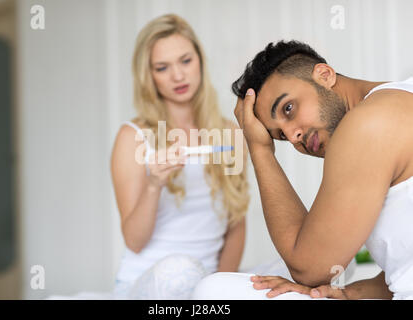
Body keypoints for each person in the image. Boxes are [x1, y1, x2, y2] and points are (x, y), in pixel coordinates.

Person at [193, 40, 413, 300]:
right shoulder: (401, 96)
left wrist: (261, 149)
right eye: (280, 137)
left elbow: (309, 269)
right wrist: (345, 293)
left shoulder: (367, 124)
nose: (293, 135)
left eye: (288, 108)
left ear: (325, 75)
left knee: (214, 291)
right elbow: (402, 268)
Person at [110, 14, 249, 299]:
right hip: (150, 281)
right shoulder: (133, 137)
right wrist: (153, 184)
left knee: (297, 270)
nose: (178, 76)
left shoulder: (230, 134)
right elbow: (135, 241)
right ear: (148, 76)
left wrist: (219, 288)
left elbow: (236, 223)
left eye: (186, 61)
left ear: (200, 61)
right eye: (162, 67)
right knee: (178, 271)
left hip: (206, 281)